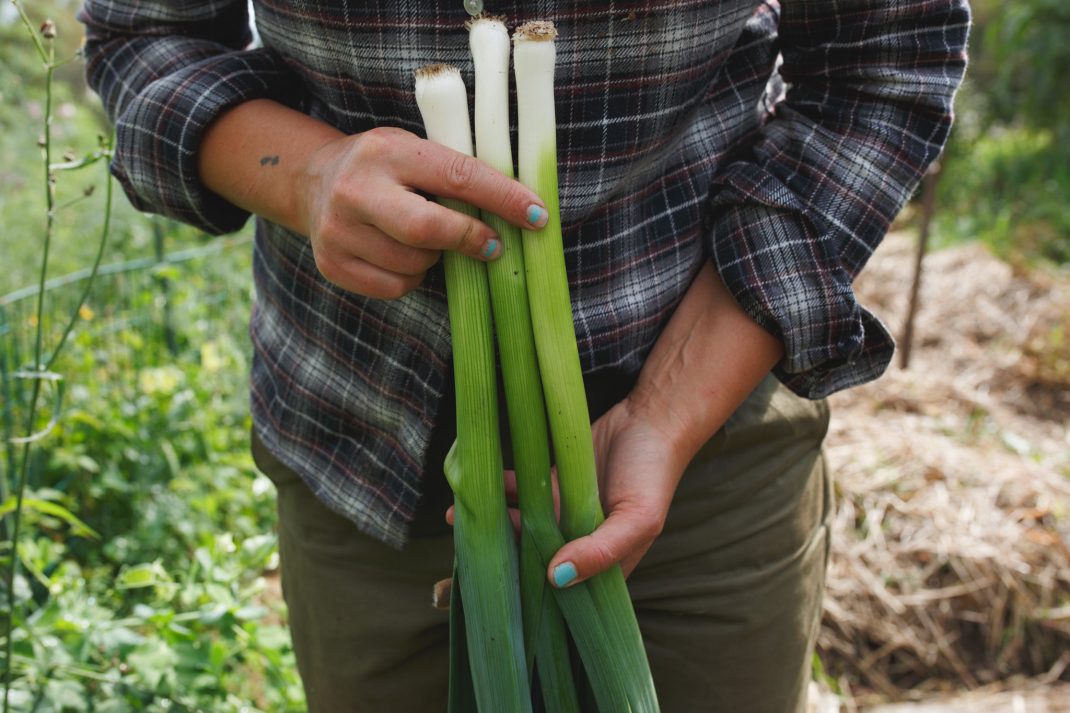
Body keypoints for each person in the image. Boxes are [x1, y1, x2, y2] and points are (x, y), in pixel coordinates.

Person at [79, 1, 970, 711]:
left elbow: (883, 62)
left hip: (708, 434)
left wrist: (666, 410)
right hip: (361, 437)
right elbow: (145, 39)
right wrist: (309, 174)